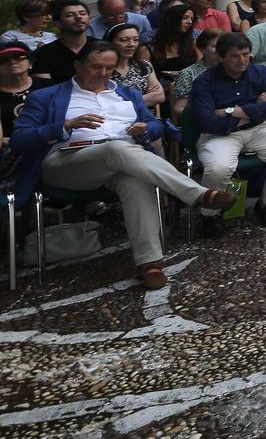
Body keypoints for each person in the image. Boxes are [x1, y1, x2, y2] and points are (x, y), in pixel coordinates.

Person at [12, 41, 236, 287]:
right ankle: (197, 194)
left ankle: (149, 263)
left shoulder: (125, 93)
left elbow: (156, 125)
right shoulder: (47, 96)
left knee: (135, 181)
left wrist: (145, 128)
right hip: (66, 161)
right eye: (96, 67)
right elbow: (19, 139)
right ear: (78, 64)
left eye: (109, 68)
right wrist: (65, 126)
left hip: (122, 161)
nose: (103, 74)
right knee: (116, 147)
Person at [189, 31, 266, 228]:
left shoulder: (261, 73)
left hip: (259, 129)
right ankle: (210, 214)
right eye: (235, 55)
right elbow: (206, 121)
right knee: (219, 168)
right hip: (220, 134)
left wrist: (229, 111)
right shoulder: (204, 81)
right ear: (221, 57)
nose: (242, 60)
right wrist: (250, 111)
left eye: (246, 54)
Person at [31, 0, 93, 84]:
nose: (79, 17)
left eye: (83, 13)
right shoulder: (43, 54)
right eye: (70, 15)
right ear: (57, 23)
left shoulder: (102, 48)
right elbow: (44, 89)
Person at [103, 22, 164, 107]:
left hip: (145, 117)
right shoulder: (102, 69)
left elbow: (159, 96)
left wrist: (122, 102)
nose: (131, 44)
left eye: (136, 40)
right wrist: (146, 97)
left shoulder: (144, 66)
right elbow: (105, 102)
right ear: (110, 42)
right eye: (124, 40)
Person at [170, 28, 224, 120]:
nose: (220, 49)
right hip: (202, 121)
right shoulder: (188, 73)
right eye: (215, 46)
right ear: (202, 49)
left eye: (223, 45)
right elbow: (179, 108)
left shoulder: (232, 69)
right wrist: (207, 115)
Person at [148, 5, 199, 77]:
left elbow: (200, 70)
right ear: (172, 19)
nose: (190, 22)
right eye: (185, 18)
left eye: (192, 19)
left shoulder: (193, 45)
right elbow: (143, 76)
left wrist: (172, 73)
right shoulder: (149, 48)